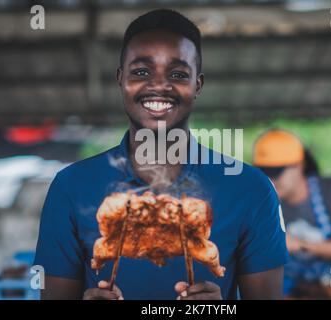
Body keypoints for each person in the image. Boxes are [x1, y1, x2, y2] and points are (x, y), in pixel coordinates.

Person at [34, 9, 288, 300]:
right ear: (121, 79)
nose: (159, 85)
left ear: (198, 85)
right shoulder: (70, 186)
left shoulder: (251, 189)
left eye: (178, 74)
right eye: (141, 71)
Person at [253, 129, 331, 295]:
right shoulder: (263, 201)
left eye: (277, 172)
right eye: (265, 172)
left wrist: (300, 245)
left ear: (299, 165)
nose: (271, 179)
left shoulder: (329, 191)